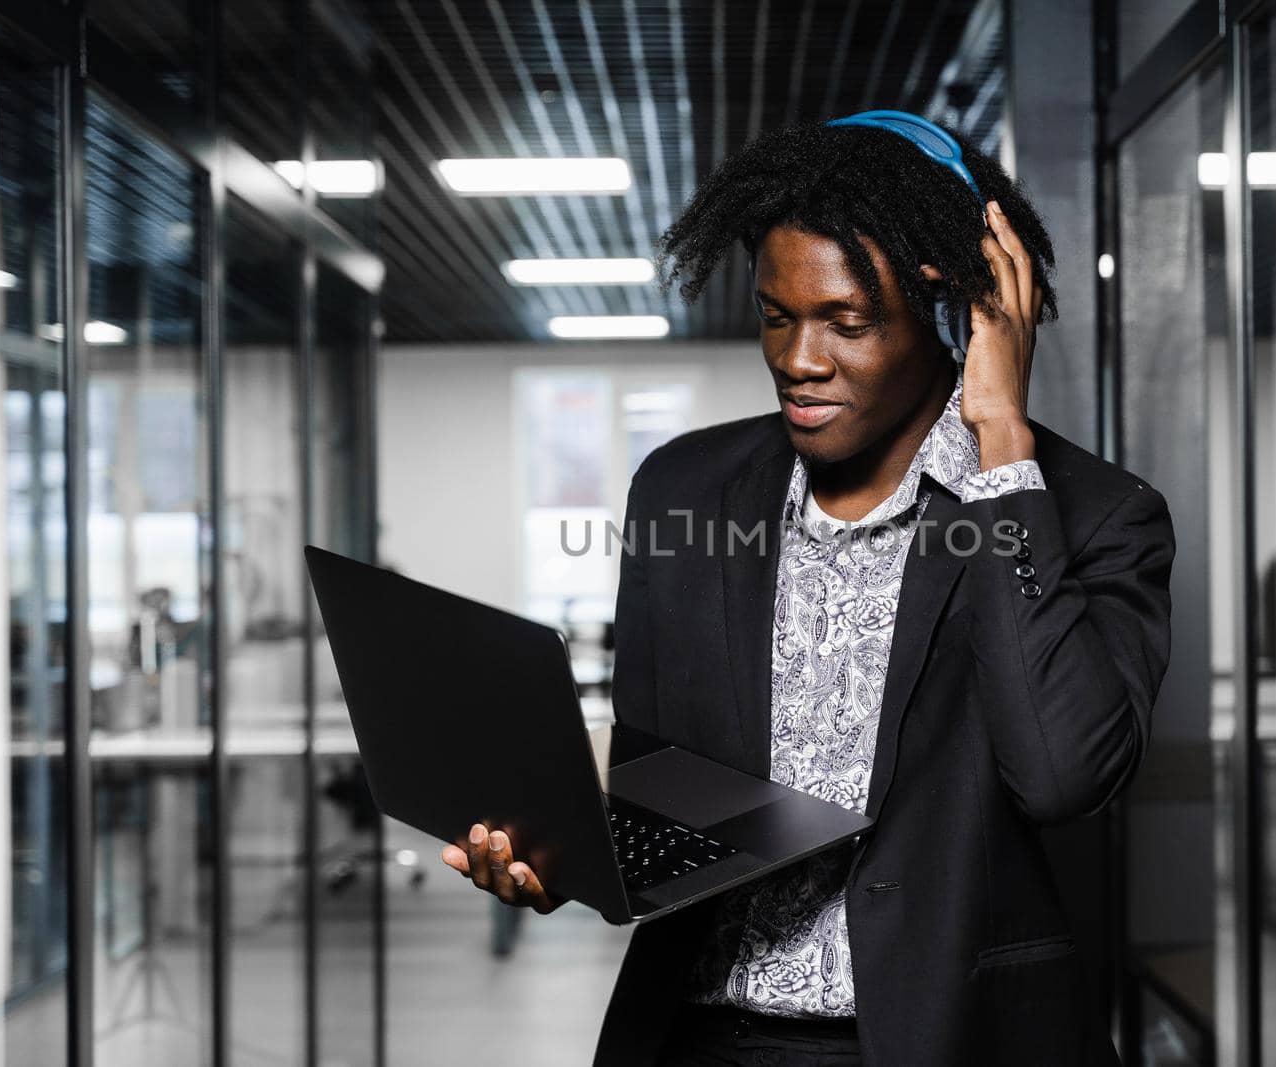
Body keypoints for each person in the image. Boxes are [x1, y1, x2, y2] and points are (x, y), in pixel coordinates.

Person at [441, 115, 1175, 1066]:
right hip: (702, 1037)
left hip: (946, 1042)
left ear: (956, 307)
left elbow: (1064, 772)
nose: (799, 358)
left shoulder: (1094, 515)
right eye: (776, 314)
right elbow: (656, 787)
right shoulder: (682, 489)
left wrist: (1000, 442)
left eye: (847, 322)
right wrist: (560, 859)